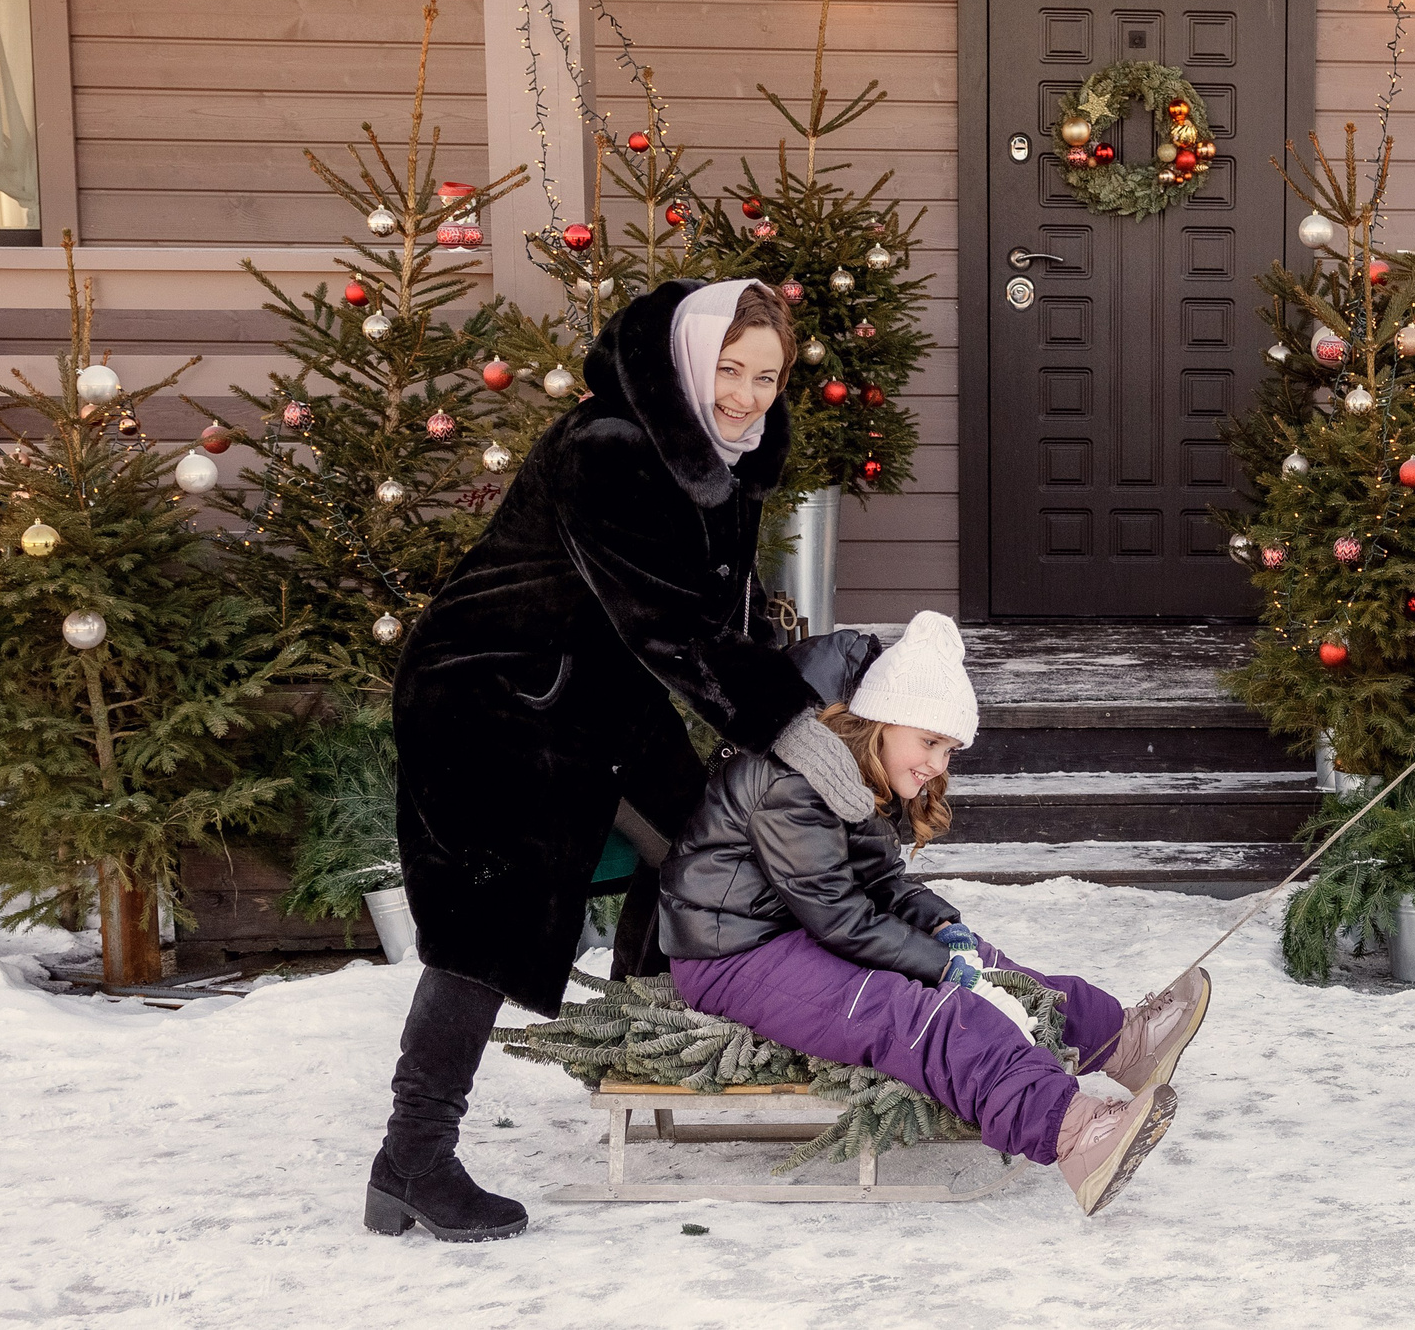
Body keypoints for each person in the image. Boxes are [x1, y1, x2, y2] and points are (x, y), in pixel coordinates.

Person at [371, 278, 849, 1243]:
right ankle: (412, 1153)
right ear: (687, 358)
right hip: (493, 695)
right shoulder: (614, 447)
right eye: (730, 368)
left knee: (701, 845)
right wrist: (789, 722)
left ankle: (644, 1048)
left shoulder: (727, 454)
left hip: (600, 693)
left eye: (767, 375)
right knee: (493, 914)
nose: (749, 394)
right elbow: (666, 621)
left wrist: (778, 655)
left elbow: (711, 599)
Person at [661, 610, 1211, 1217]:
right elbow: (840, 916)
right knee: (909, 1014)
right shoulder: (794, 778)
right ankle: (1074, 1134)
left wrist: (943, 928)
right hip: (732, 952)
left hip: (793, 928)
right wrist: (936, 965)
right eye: (929, 741)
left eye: (948, 749)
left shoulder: (852, 772)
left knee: (982, 962)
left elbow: (878, 881)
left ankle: (1122, 1042)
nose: (937, 766)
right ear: (880, 720)